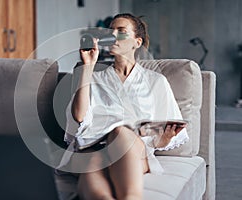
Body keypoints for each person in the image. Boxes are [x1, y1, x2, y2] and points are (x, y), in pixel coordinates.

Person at [60, 13, 189, 200]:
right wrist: (88, 66)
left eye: (121, 31)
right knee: (91, 168)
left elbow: (159, 138)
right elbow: (79, 117)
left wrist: (165, 138)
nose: (113, 35)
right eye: (110, 31)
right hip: (94, 148)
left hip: (132, 148)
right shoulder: (94, 77)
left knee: (119, 131)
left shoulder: (156, 82)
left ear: (137, 42)